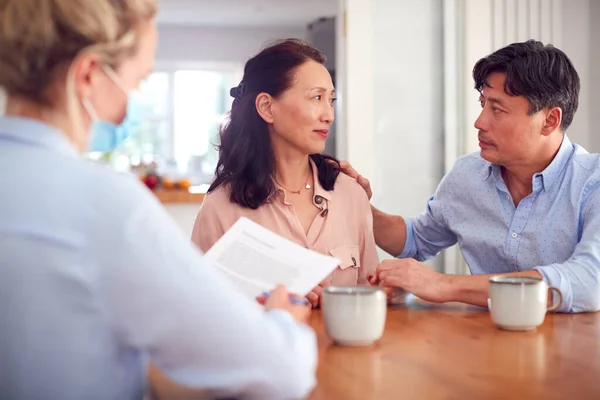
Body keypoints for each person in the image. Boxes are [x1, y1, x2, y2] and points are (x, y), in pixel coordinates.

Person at [0, 1, 318, 399]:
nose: (131, 103)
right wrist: (281, 320)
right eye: (135, 81)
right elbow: (280, 372)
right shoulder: (104, 204)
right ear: (88, 75)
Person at [343, 40, 600, 313]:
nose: (480, 121)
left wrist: (445, 286)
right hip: (480, 344)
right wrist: (357, 205)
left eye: (497, 109)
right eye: (482, 104)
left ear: (549, 120)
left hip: (571, 349)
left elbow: (590, 281)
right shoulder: (467, 174)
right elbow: (415, 239)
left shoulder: (591, 182)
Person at [191, 39, 379, 308]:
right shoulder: (220, 207)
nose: (329, 115)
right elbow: (200, 313)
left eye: (332, 100)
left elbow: (369, 298)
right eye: (316, 97)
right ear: (267, 107)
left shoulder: (350, 194)